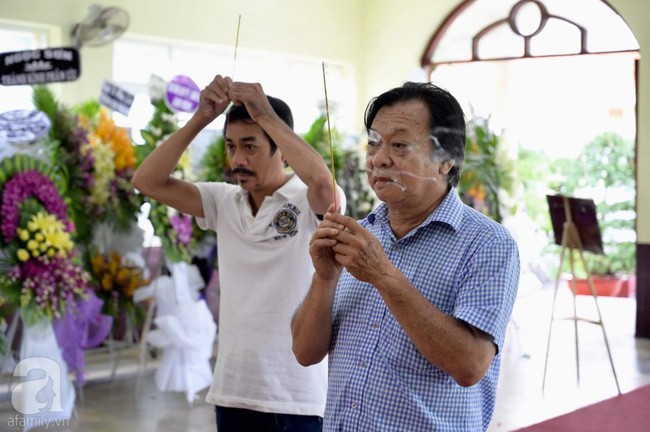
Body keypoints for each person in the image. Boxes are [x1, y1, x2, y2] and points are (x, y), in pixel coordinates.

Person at [291, 81, 520, 431]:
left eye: (399, 145)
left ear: (446, 161)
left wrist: (383, 275)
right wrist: (324, 278)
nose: (379, 158)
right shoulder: (360, 234)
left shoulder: (487, 243)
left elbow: (470, 366)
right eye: (374, 143)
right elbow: (305, 353)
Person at [133, 74, 344, 432]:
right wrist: (201, 117)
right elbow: (147, 181)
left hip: (295, 394)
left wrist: (266, 116)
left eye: (250, 146)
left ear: (279, 146)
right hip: (233, 391)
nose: (238, 159)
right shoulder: (222, 201)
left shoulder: (307, 200)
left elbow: (325, 185)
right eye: (231, 146)